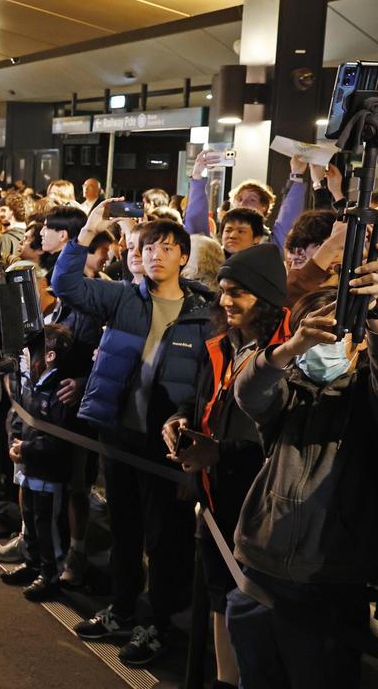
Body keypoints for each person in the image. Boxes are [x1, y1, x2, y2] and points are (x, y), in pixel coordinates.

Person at [52, 211, 212, 666]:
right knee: (124, 528)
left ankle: (159, 623)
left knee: (166, 539)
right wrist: (84, 235)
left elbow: (206, 386)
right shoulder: (125, 299)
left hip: (167, 447)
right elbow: (67, 284)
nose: (155, 255)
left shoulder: (204, 314)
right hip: (121, 435)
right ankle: (122, 609)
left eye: (165, 247)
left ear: (183, 255)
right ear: (135, 256)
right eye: (147, 248)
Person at [226, 281, 378, 689]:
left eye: (334, 334)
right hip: (260, 569)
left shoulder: (365, 395)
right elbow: (249, 392)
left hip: (330, 579)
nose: (321, 345)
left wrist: (376, 322)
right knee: (257, 677)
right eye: (313, 333)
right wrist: (291, 348)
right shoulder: (291, 388)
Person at [162, 244, 290, 689]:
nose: (224, 301)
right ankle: (222, 680)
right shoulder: (221, 345)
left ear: (267, 298)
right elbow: (201, 399)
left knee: (251, 605)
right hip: (215, 499)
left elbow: (283, 443)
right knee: (219, 593)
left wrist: (219, 454)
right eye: (222, 291)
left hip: (260, 509)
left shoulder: (286, 356)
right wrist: (178, 421)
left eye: (237, 293)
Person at [2, 324, 78, 601]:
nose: (27, 354)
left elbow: (59, 440)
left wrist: (28, 448)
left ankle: (51, 574)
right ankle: (33, 563)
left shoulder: (60, 389)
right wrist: (16, 442)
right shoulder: (34, 384)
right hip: (32, 467)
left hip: (50, 472)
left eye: (34, 349)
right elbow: (22, 417)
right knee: (32, 520)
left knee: (49, 526)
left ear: (50, 356)